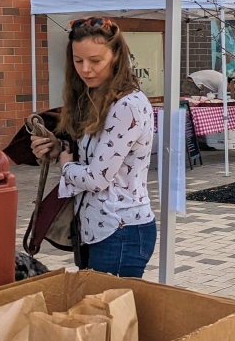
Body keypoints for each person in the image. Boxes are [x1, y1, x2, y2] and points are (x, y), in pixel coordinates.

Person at [31, 17, 155, 277]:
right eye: (78, 61)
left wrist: (66, 165)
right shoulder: (95, 95)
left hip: (119, 230)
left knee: (110, 315)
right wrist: (57, 148)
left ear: (117, 57)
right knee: (99, 314)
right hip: (99, 228)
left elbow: (97, 178)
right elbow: (93, 158)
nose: (86, 69)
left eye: (96, 61)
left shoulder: (126, 105)